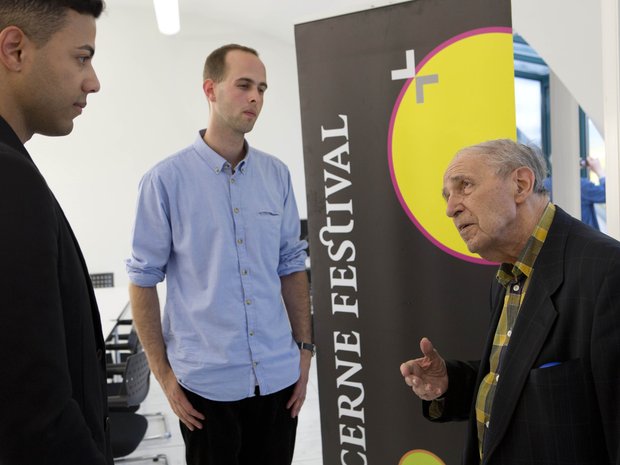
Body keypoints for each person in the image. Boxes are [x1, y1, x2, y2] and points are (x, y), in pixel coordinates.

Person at [126, 44, 313, 465]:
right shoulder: (164, 182)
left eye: (262, 88)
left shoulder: (276, 175)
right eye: (244, 85)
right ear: (210, 89)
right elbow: (142, 278)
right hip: (206, 388)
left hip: (279, 380)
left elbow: (290, 265)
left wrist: (304, 350)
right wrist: (165, 378)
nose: (255, 98)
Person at [400, 139, 620, 464]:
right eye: (447, 195)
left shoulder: (607, 272)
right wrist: (451, 383)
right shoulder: (508, 275)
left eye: (465, 187)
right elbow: (513, 381)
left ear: (520, 184)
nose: (450, 208)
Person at [0, 1, 111, 464]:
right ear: (15, 50)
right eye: (81, 57)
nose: (93, 81)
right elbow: (36, 416)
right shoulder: (7, 177)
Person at [543, 156, 606, 230]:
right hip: (585, 237)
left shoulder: (544, 185)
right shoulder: (581, 185)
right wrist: (599, 170)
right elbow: (607, 195)